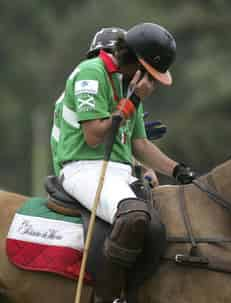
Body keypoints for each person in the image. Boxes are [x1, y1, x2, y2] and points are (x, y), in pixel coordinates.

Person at [52, 23, 196, 302]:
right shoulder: (91, 72)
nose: (151, 83)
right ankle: (107, 298)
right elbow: (93, 136)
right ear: (137, 63)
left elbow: (139, 145)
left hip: (121, 173)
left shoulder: (126, 84)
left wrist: (177, 170)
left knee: (169, 220)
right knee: (133, 217)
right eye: (150, 75)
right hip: (83, 168)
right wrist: (133, 100)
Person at [50, 27, 167, 187]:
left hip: (104, 169)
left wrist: (128, 135)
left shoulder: (121, 88)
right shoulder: (89, 80)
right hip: (79, 171)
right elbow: (93, 139)